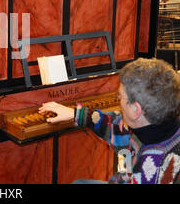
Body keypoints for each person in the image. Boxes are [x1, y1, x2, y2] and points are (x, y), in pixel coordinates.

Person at [39, 58, 180, 184]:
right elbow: (120, 129)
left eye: (120, 97)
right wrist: (78, 114)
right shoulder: (155, 126)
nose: (118, 100)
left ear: (136, 110)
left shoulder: (152, 171)